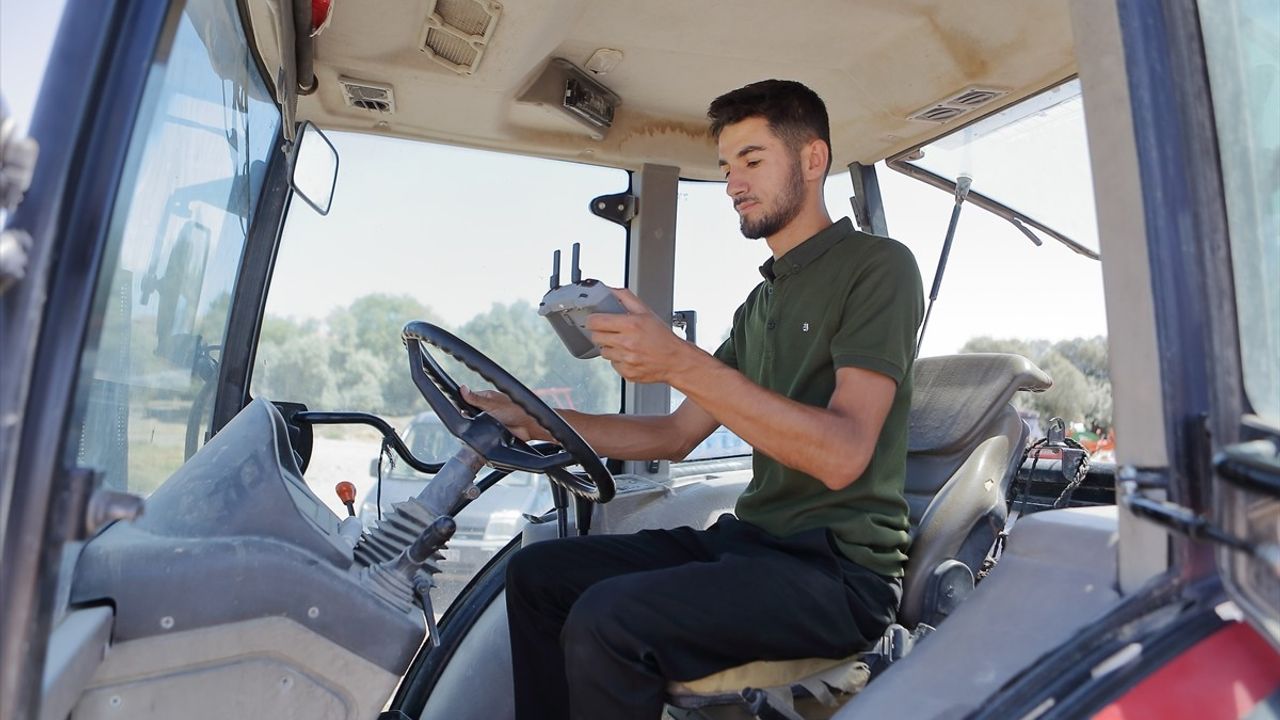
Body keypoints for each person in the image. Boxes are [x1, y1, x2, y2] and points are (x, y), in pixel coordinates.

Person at [462, 79, 925, 720]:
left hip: (839, 575)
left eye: (753, 161)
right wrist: (535, 422)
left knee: (608, 619)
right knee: (538, 576)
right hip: (753, 544)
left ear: (813, 160)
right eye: (727, 167)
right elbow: (673, 436)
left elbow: (844, 454)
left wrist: (677, 359)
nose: (735, 183)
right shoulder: (760, 303)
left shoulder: (879, 268)